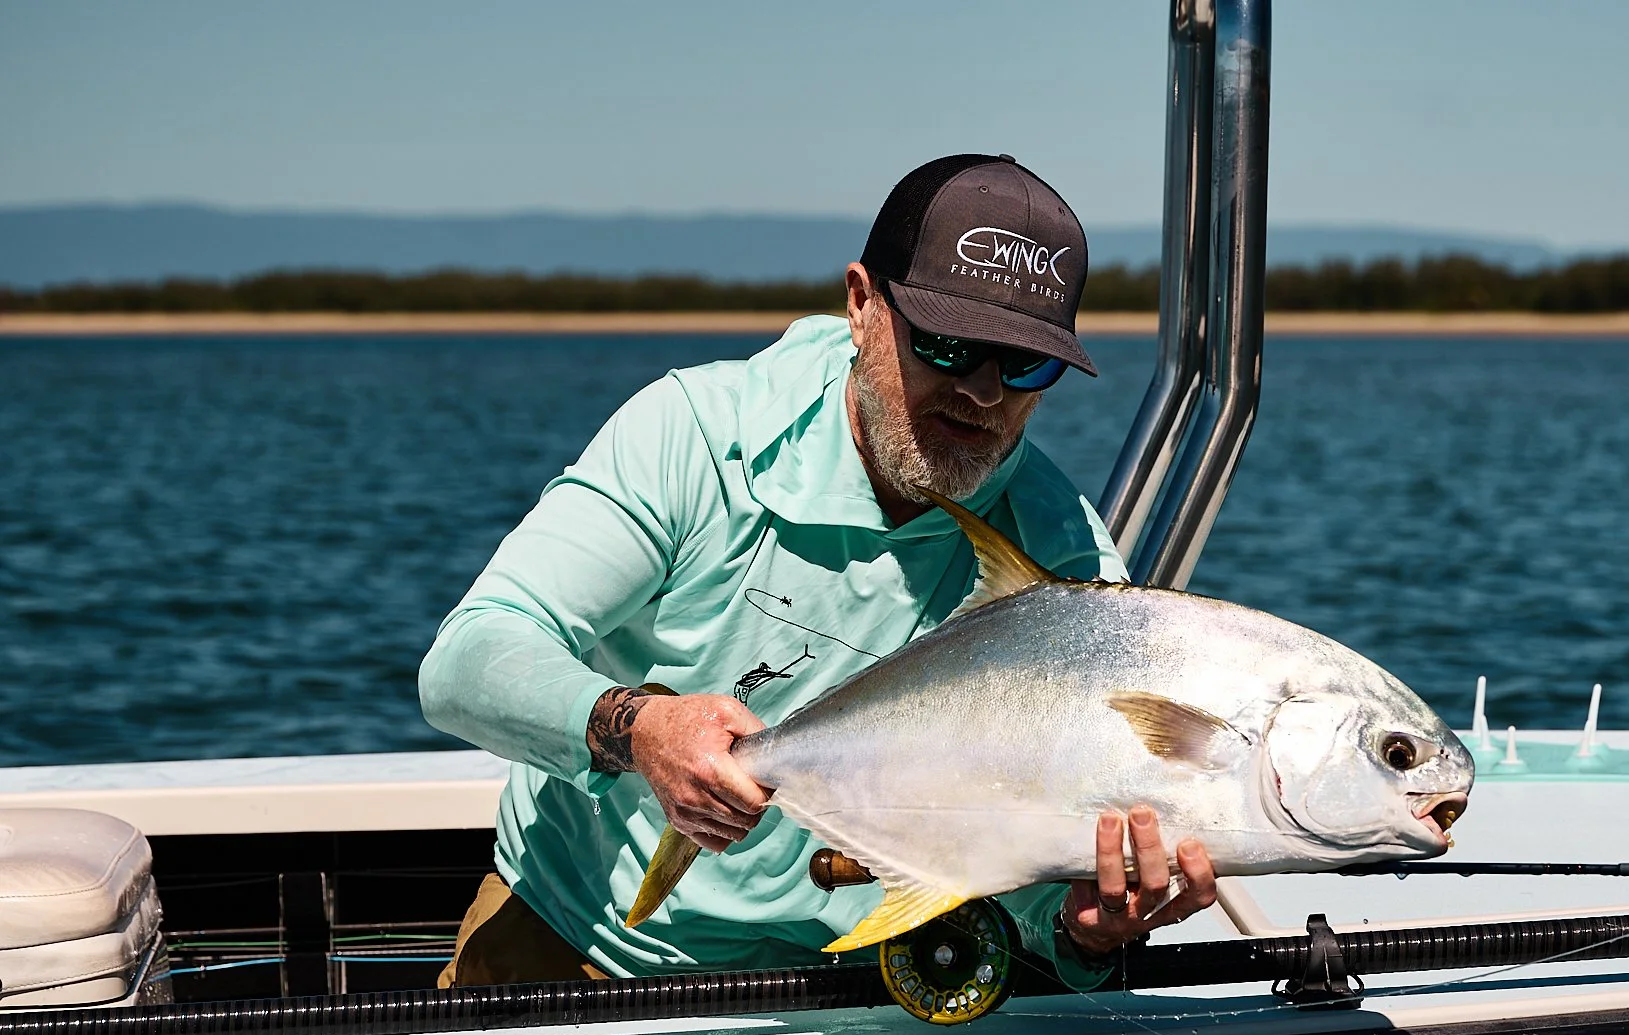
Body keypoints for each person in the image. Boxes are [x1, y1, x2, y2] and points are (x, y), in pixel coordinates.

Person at [420, 153, 1218, 989]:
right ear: (862, 304)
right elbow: (468, 659)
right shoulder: (695, 435)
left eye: (1026, 365)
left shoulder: (1066, 564)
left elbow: (1023, 859)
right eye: (948, 344)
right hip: (574, 944)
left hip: (866, 998)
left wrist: (1079, 932)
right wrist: (641, 729)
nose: (983, 395)